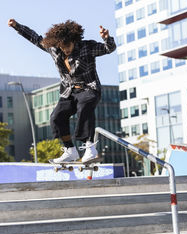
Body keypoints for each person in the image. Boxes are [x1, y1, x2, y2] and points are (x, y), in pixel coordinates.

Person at [8, 19, 116, 163]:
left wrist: (107, 38)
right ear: (58, 44)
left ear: (74, 40)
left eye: (69, 46)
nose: (66, 50)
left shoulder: (86, 47)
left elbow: (108, 49)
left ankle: (90, 147)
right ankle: (70, 150)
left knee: (84, 107)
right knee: (56, 117)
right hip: (69, 92)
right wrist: (17, 26)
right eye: (63, 47)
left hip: (89, 89)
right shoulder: (53, 49)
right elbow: (35, 38)